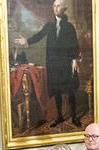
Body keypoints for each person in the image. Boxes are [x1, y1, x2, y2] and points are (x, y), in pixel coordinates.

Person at [15, 0, 80, 128]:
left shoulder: (69, 27)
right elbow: (39, 35)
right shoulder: (50, 25)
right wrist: (26, 41)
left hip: (66, 64)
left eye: (59, 6)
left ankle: (74, 116)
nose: (56, 8)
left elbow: (74, 44)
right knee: (56, 91)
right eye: (54, 6)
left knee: (70, 90)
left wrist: (74, 60)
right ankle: (59, 116)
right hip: (53, 64)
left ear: (64, 8)